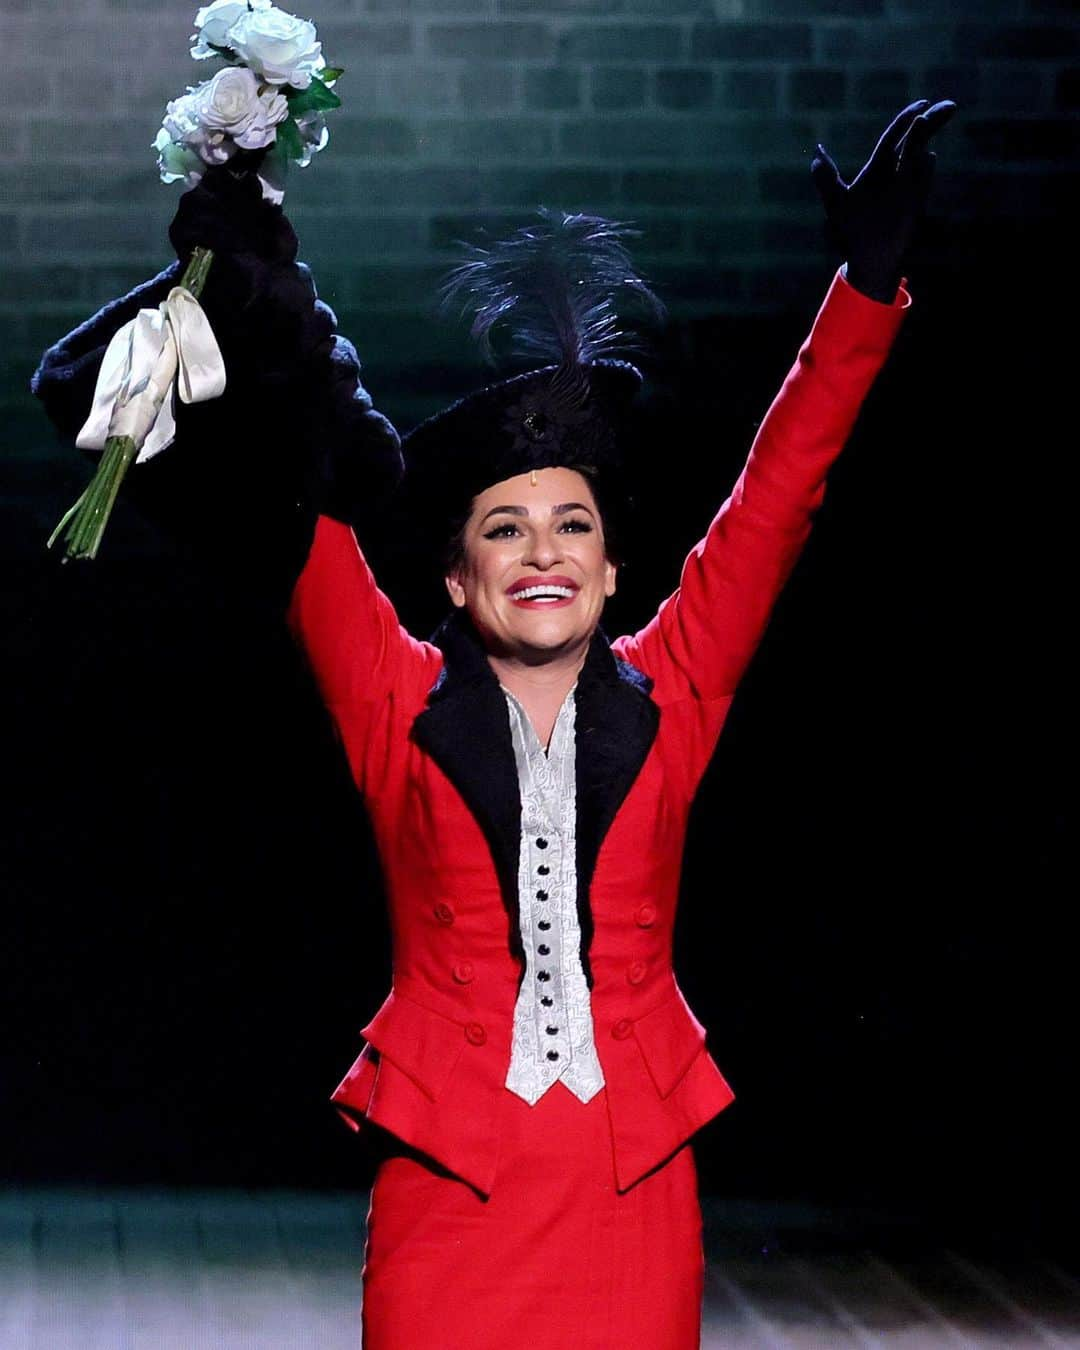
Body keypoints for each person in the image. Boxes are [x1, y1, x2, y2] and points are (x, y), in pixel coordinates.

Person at [34, 98, 954, 1350]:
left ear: (614, 569)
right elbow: (172, 444)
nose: (543, 552)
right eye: (504, 527)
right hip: (448, 1198)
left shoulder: (674, 686)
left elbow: (778, 493)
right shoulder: (394, 696)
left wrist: (862, 289)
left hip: (632, 1197)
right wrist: (240, 283)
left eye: (573, 524)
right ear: (457, 578)